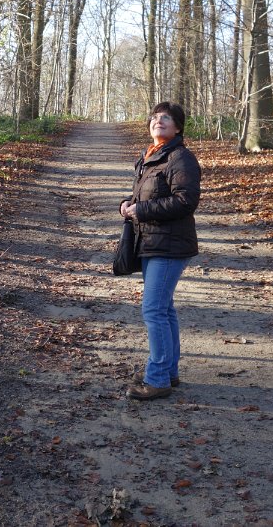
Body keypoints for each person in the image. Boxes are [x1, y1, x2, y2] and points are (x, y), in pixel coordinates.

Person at [119, 101, 201, 401]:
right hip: (151, 241)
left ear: (178, 127)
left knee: (153, 310)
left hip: (170, 244)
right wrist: (127, 204)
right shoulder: (151, 156)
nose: (158, 121)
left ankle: (157, 380)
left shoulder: (181, 158)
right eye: (155, 117)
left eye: (166, 118)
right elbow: (145, 194)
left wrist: (141, 210)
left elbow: (185, 201)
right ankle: (168, 371)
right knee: (163, 309)